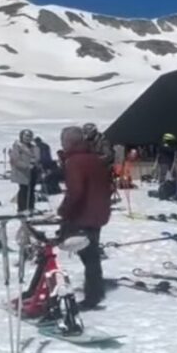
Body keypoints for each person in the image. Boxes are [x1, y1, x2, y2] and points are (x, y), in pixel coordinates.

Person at [57, 126, 112, 310]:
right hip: (98, 211)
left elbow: (76, 192)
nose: (62, 144)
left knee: (88, 254)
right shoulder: (94, 158)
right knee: (91, 253)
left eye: (63, 140)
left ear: (69, 142)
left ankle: (93, 294)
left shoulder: (74, 162)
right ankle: (95, 288)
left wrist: (65, 211)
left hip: (84, 214)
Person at [9, 129, 39, 213]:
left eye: (29, 136)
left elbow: (37, 157)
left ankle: (31, 207)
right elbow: (15, 160)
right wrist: (26, 166)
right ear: (21, 137)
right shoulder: (17, 147)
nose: (27, 138)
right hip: (22, 172)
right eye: (25, 136)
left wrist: (36, 162)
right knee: (24, 189)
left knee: (32, 189)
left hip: (33, 171)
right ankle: (22, 208)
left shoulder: (34, 147)